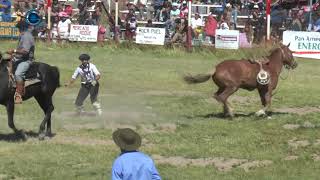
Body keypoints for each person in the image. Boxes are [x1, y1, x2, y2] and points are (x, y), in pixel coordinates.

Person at [6, 22, 35, 104]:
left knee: (18, 73)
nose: (18, 30)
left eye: (18, 28)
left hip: (26, 60)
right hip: (19, 58)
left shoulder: (27, 36)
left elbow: (25, 51)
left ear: (21, 28)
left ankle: (19, 95)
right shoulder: (23, 35)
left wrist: (14, 51)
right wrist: (13, 54)